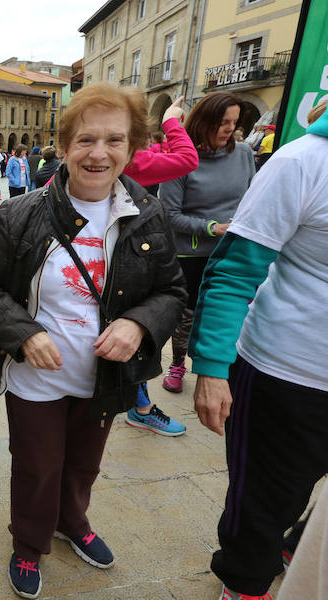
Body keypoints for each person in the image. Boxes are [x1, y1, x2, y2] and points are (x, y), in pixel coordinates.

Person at [0, 81, 186, 599]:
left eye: (115, 140)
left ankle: (73, 521)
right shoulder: (21, 213)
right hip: (37, 377)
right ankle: (29, 542)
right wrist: (23, 334)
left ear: (132, 148)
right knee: (38, 465)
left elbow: (171, 291)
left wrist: (138, 324)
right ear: (64, 146)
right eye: (86, 140)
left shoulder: (147, 213)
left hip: (104, 376)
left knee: (85, 462)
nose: (99, 153)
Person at [188, 93, 328, 600]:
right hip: (288, 377)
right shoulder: (300, 162)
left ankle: (297, 545)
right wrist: (211, 367)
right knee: (262, 503)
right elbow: (232, 274)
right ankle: (245, 584)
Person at [159, 91, 255, 395]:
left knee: (227, 310)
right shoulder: (181, 159)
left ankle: (220, 368)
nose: (230, 129)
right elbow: (169, 215)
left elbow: (252, 199)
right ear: (204, 122)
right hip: (191, 254)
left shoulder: (243, 154)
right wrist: (212, 228)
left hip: (233, 250)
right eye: (223, 122)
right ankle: (177, 366)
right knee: (186, 316)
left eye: (235, 122)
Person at [119, 95, 199, 436]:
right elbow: (187, 158)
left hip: (131, 255)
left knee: (129, 335)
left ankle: (141, 405)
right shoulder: (131, 159)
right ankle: (140, 407)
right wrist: (171, 122)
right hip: (125, 260)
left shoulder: (138, 156)